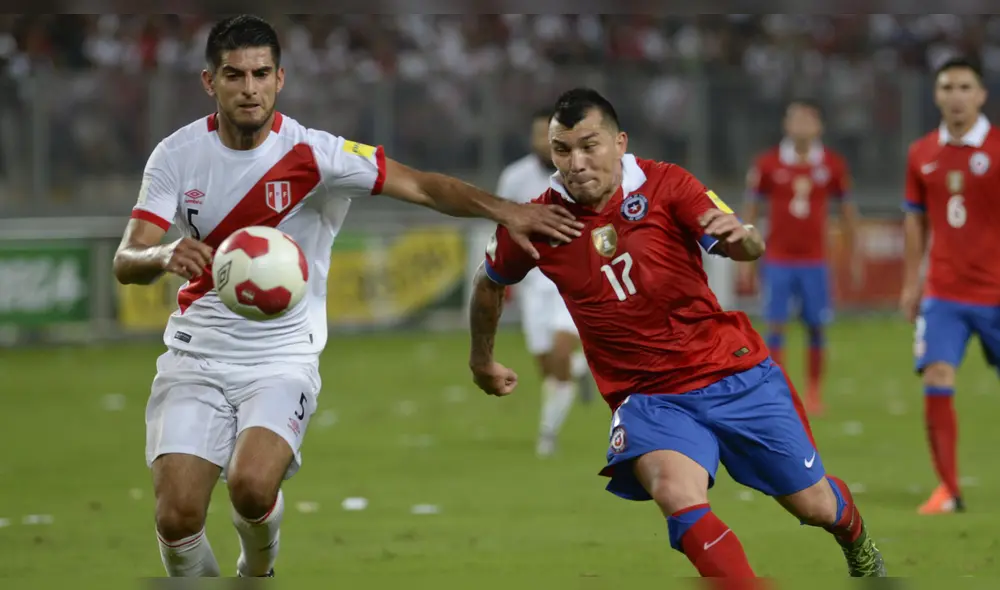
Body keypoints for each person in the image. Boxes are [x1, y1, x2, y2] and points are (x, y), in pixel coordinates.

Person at [112, 15, 582, 578]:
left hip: (282, 357)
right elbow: (127, 259)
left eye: (261, 73)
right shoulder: (176, 155)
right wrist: (162, 254)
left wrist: (509, 211)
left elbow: (422, 185)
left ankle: (256, 573)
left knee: (252, 486)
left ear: (280, 78)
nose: (249, 88)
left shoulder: (317, 155)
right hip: (197, 353)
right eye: (234, 75)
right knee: (177, 517)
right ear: (209, 82)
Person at [468, 88, 885, 578]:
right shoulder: (539, 219)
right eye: (563, 150)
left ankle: (856, 539)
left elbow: (741, 245)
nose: (576, 163)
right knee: (674, 491)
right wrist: (482, 359)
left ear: (620, 142)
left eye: (589, 146)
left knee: (815, 505)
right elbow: (488, 283)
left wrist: (746, 238)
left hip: (730, 371)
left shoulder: (667, 184)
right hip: (647, 396)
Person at [901, 57, 1000, 515]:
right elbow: (915, 221)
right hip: (944, 293)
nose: (956, 96)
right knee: (937, 376)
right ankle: (949, 488)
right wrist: (912, 283)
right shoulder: (921, 153)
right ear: (936, 95)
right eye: (947, 87)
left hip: (996, 292)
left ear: (981, 95)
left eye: (964, 87)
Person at [742, 99, 859, 416]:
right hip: (777, 259)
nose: (802, 126)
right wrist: (745, 255)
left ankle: (814, 392)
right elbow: (751, 209)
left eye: (808, 120)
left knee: (816, 327)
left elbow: (847, 211)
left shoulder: (832, 164)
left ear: (819, 126)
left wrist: (852, 252)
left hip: (815, 261)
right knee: (775, 326)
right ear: (786, 124)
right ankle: (779, 393)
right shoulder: (767, 164)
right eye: (796, 119)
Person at [496, 107, 594, 456]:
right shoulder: (514, 177)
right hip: (532, 281)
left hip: (572, 278)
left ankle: (547, 434)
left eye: (550, 136)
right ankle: (580, 369)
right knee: (548, 364)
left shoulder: (583, 173)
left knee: (561, 350)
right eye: (539, 135)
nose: (544, 141)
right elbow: (502, 227)